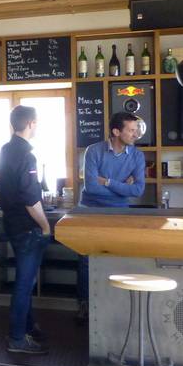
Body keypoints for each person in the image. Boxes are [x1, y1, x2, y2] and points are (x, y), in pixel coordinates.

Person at [75, 111, 146, 320]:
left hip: (120, 213)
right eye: (131, 130)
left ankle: (114, 307)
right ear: (116, 131)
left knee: (117, 257)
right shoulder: (93, 151)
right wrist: (123, 187)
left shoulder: (137, 155)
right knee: (86, 260)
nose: (135, 135)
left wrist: (107, 182)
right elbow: (91, 187)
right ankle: (85, 305)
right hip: (90, 212)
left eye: (136, 130)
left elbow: (138, 190)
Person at [0, 105, 51, 354]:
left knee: (25, 282)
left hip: (11, 223)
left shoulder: (6, 150)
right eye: (36, 122)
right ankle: (17, 338)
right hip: (27, 227)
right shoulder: (27, 156)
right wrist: (45, 226)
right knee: (24, 283)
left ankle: (28, 327)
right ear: (31, 123)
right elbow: (31, 200)